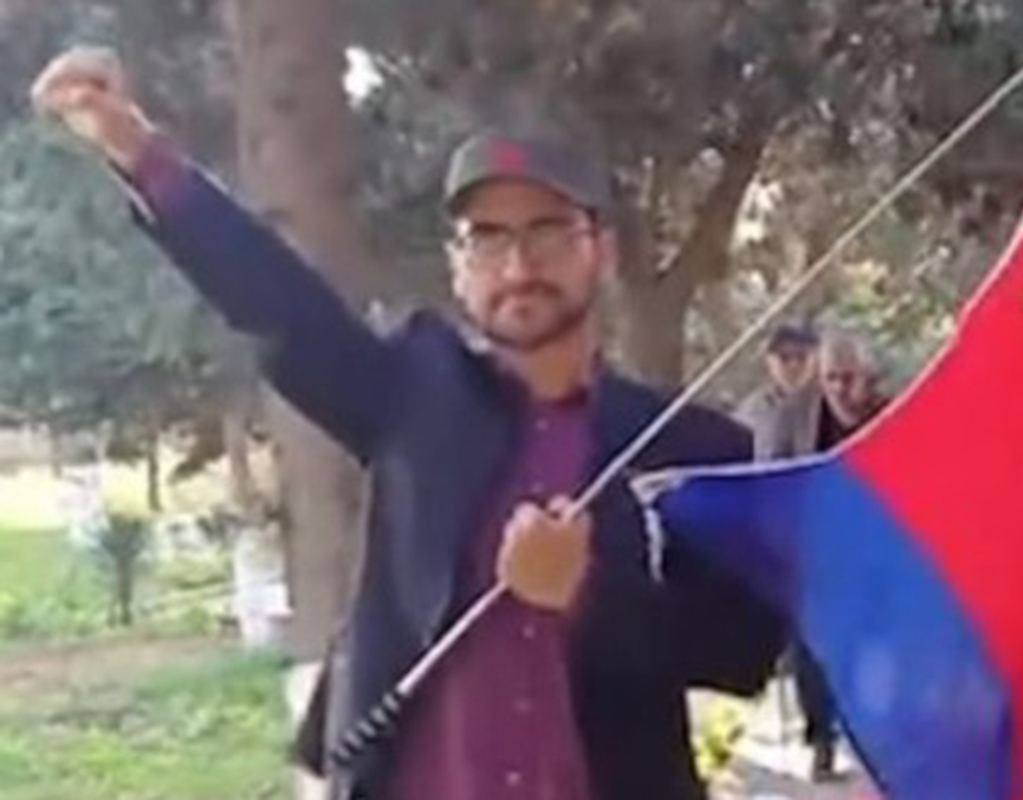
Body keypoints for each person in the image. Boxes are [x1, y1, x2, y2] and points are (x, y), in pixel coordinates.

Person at [31, 48, 783, 800]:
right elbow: (277, 304)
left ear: (602, 249)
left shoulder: (691, 445)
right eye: (487, 238)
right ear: (458, 265)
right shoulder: (409, 393)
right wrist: (138, 150)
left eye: (549, 231)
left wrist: (584, 592)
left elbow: (742, 651)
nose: (518, 265)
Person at [736, 327, 889, 782]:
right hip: (815, 549)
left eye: (849, 377)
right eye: (832, 379)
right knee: (812, 650)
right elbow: (771, 478)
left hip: (874, 549)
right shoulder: (793, 416)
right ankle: (821, 740)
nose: (841, 388)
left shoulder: (890, 412)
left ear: (868, 375)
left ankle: (875, 743)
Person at [734, 322, 821, 460]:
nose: (793, 366)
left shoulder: (832, 404)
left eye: (802, 357)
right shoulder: (751, 411)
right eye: (784, 358)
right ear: (769, 361)